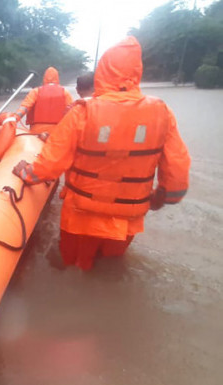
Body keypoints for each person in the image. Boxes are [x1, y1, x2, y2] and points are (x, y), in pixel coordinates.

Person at [12, 36, 190, 271]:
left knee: (71, 267)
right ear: (137, 73)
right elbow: (178, 171)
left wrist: (26, 173)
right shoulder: (162, 112)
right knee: (110, 270)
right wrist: (163, 198)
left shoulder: (82, 112)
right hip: (128, 220)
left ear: (103, 73)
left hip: (80, 217)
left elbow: (50, 164)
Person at [14, 67, 74, 135]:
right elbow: (71, 111)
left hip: (37, 130)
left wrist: (15, 118)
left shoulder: (35, 91)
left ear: (44, 78)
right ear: (57, 78)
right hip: (58, 130)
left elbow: (25, 107)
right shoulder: (65, 92)